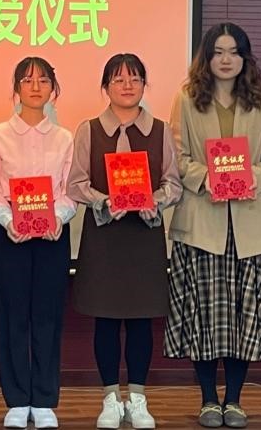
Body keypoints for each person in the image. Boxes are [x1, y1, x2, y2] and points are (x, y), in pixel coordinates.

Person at [166, 23, 261, 430]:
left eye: (234, 52)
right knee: (205, 317)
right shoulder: (186, 99)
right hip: (202, 221)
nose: (226, 59)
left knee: (242, 319)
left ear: (244, 58)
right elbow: (177, 158)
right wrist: (209, 179)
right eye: (218, 52)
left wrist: (249, 179)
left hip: (248, 226)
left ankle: (233, 399)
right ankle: (207, 399)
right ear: (207, 57)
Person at [67, 53, 183, 430]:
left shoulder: (161, 130)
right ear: (106, 87)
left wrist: (153, 200)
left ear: (144, 85)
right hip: (104, 236)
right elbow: (76, 183)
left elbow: (173, 184)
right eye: (118, 79)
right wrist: (105, 201)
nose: (127, 85)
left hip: (143, 237)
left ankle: (137, 398)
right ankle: (109, 399)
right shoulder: (89, 129)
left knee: (140, 320)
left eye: (135, 79)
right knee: (104, 318)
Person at [0, 56, 76, 430]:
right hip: (10, 236)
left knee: (47, 317)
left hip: (52, 235)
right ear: (16, 88)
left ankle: (44, 398)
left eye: (43, 80)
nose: (35, 87)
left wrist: (59, 217)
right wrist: (9, 221)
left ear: (53, 89)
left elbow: (69, 190)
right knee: (12, 318)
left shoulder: (65, 138)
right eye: (27, 80)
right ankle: (17, 399)